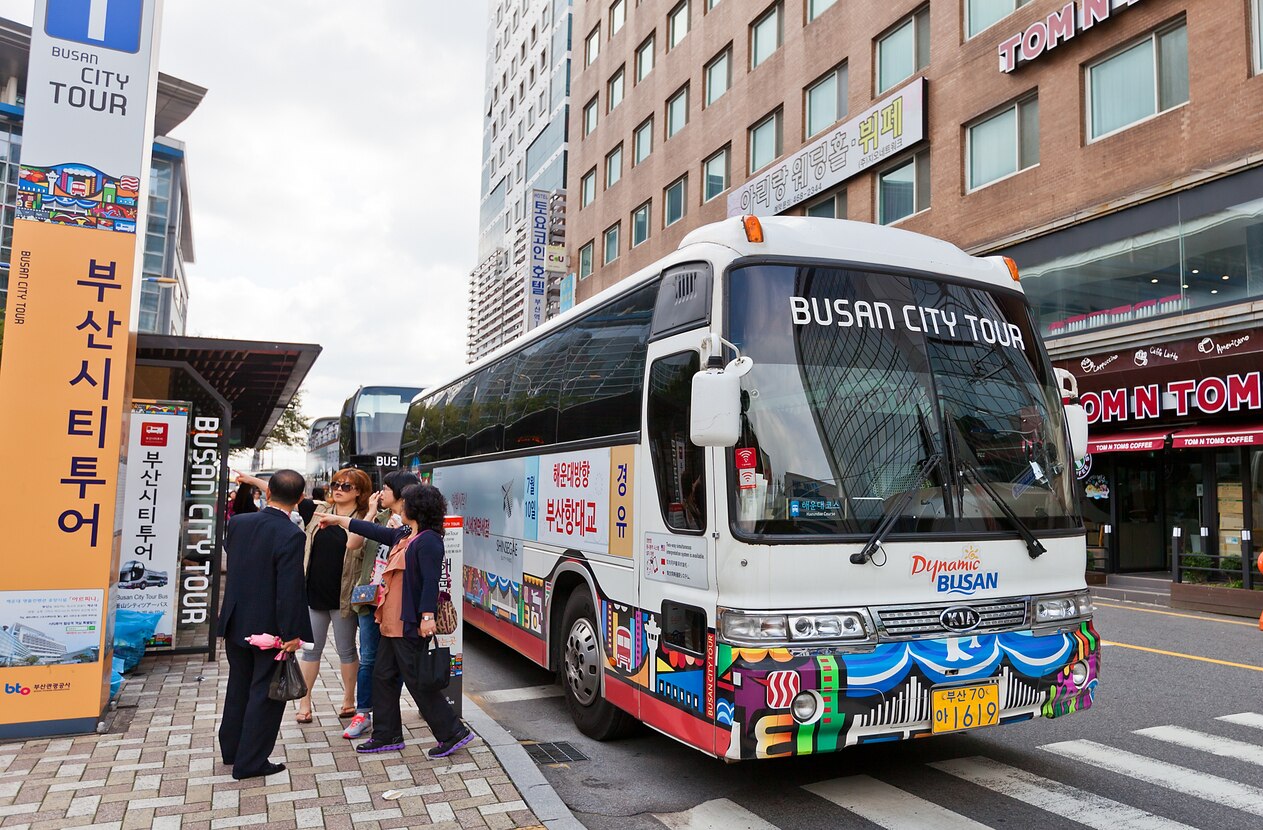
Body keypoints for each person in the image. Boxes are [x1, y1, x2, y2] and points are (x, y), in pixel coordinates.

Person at [317, 483, 472, 757]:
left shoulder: (429, 540)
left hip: (408, 622)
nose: (401, 506)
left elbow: (429, 583)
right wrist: (339, 519)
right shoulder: (405, 534)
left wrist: (427, 616)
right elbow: (373, 531)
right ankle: (387, 734)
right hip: (389, 621)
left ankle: (452, 732)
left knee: (416, 680)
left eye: (406, 502)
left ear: (418, 509)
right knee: (383, 675)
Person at [217, 469, 314, 780]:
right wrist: (291, 634)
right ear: (300, 500)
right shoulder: (291, 535)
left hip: (235, 622)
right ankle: (251, 761)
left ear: (267, 493)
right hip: (269, 631)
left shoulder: (239, 523)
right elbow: (289, 589)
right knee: (265, 694)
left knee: (238, 687)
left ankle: (232, 751)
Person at [343, 470, 418, 740]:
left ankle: (388, 713)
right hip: (370, 599)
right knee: (369, 660)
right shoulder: (379, 517)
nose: (381, 492)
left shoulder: (413, 524)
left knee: (393, 663)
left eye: (386, 489)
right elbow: (352, 543)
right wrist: (371, 512)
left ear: (400, 492)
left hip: (396, 603)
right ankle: (362, 713)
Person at [296, 467, 373, 723]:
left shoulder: (363, 519)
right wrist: (250, 480)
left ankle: (349, 700)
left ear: (359, 492)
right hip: (314, 593)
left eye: (346, 486)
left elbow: (355, 544)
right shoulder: (318, 512)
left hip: (344, 597)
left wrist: (370, 513)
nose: (338, 489)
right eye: (336, 484)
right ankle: (304, 703)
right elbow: (282, 493)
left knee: (347, 650)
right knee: (310, 650)